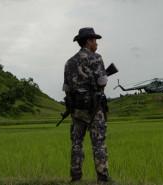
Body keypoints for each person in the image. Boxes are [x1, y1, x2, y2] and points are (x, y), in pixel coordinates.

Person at [62, 27, 115, 184]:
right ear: (88, 41)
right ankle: (103, 179)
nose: (97, 44)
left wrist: (76, 101)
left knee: (77, 143)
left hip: (77, 109)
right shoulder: (96, 58)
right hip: (94, 109)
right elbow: (102, 82)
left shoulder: (69, 62)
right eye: (95, 41)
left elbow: (66, 89)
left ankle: (76, 178)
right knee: (98, 143)